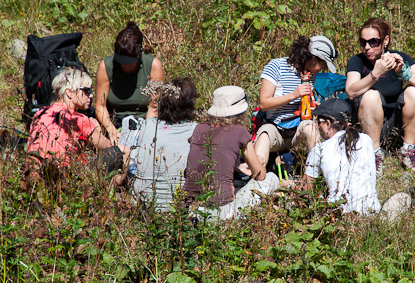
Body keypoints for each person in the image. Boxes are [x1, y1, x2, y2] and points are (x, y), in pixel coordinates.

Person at [345, 17, 415, 170]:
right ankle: (374, 153)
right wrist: (375, 74)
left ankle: (408, 150)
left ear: (385, 41)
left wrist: (402, 72)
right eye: (363, 42)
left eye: (373, 42)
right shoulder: (357, 61)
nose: (367, 47)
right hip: (367, 125)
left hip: (397, 125)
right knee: (371, 95)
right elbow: (351, 91)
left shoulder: (398, 58)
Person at [182, 86, 279, 221]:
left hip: (191, 210)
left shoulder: (199, 128)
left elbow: (206, 159)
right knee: (271, 178)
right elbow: (259, 175)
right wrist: (259, 163)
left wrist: (236, 167)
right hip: (222, 212)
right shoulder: (239, 131)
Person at [253, 35, 339, 168]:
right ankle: (257, 179)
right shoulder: (277, 66)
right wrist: (293, 95)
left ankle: (318, 176)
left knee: (310, 128)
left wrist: (315, 107)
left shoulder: (311, 74)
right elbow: (264, 104)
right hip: (275, 127)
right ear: (311, 57)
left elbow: (306, 103)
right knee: (264, 135)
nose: (322, 68)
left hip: (298, 130)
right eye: (322, 63)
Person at [27, 67, 130, 171]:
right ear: (69, 92)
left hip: (34, 173)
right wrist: (98, 129)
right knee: (123, 151)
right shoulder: (78, 119)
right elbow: (107, 146)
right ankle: (115, 186)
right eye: (86, 91)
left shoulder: (40, 113)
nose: (91, 95)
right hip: (63, 176)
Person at [300, 98, 381, 215]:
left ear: (328, 124)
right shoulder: (366, 140)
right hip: (371, 212)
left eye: (318, 122)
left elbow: (305, 190)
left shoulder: (319, 149)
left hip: (339, 215)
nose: (317, 127)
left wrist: (286, 185)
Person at [129, 77, 198, 212]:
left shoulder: (148, 126)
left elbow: (152, 115)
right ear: (190, 103)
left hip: (144, 206)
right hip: (180, 208)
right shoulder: (197, 130)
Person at [95, 21, 165, 144]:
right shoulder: (106, 66)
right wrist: (112, 130)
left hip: (144, 121)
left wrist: (145, 133)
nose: (125, 64)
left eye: (130, 60)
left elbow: (154, 106)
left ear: (140, 53)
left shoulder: (153, 65)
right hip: (114, 122)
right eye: (122, 60)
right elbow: (100, 106)